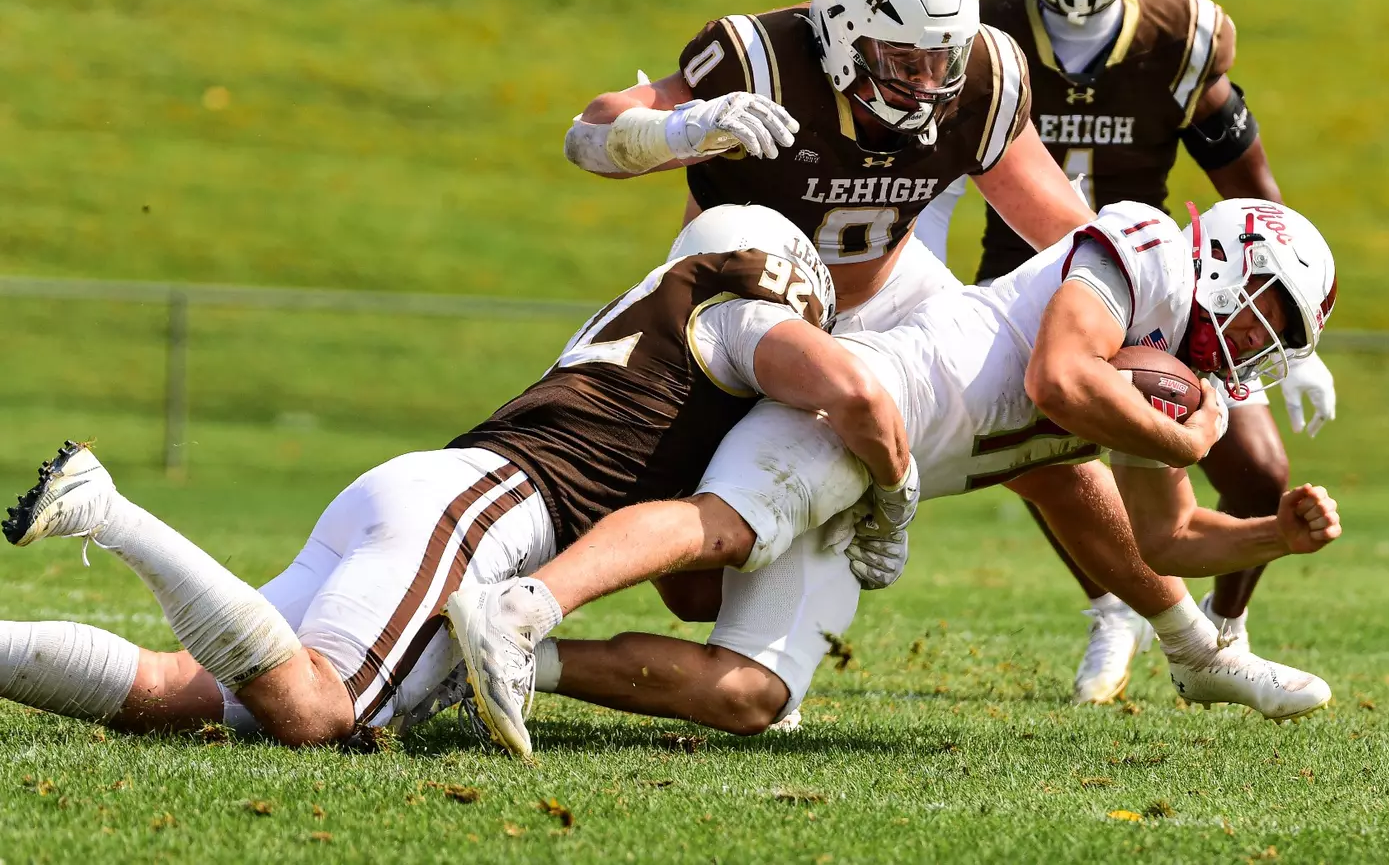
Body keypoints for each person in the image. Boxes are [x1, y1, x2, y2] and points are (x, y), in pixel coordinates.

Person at [554, 0, 1199, 726]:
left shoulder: (984, 78)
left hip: (896, 301)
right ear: (842, 32)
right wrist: (681, 129)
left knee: (1048, 439)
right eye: (906, 59)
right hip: (749, 324)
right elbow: (588, 135)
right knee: (690, 588)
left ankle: (1191, 636)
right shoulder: (762, 60)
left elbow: (1065, 229)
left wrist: (1143, 308)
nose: (931, 81)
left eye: (944, 59)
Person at [453, 198, 1344, 754]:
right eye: (1270, 313)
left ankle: (505, 669)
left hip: (883, 480)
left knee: (749, 697)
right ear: (1229, 259)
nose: (1261, 346)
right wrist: (1182, 442)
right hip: (867, 401)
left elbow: (1165, 539)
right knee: (727, 526)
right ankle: (523, 607)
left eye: (1283, 339)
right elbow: (1058, 379)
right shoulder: (1145, 244)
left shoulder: (1167, 387)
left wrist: (1275, 536)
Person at [0, 206, 909, 751]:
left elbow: (685, 592)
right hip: (482, 514)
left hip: (437, 492)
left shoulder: (644, 325)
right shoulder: (737, 314)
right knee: (320, 713)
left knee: (195, 697)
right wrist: (893, 486)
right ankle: (106, 510)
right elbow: (855, 388)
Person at [912, 0, 1339, 704]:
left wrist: (1296, 332)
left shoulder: (1180, 46)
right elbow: (935, 170)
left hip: (1174, 296)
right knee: (1047, 445)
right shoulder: (984, 42)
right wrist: (918, 278)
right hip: (1032, 283)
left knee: (1254, 465)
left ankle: (1222, 631)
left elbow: (1253, 193)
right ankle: (1116, 603)